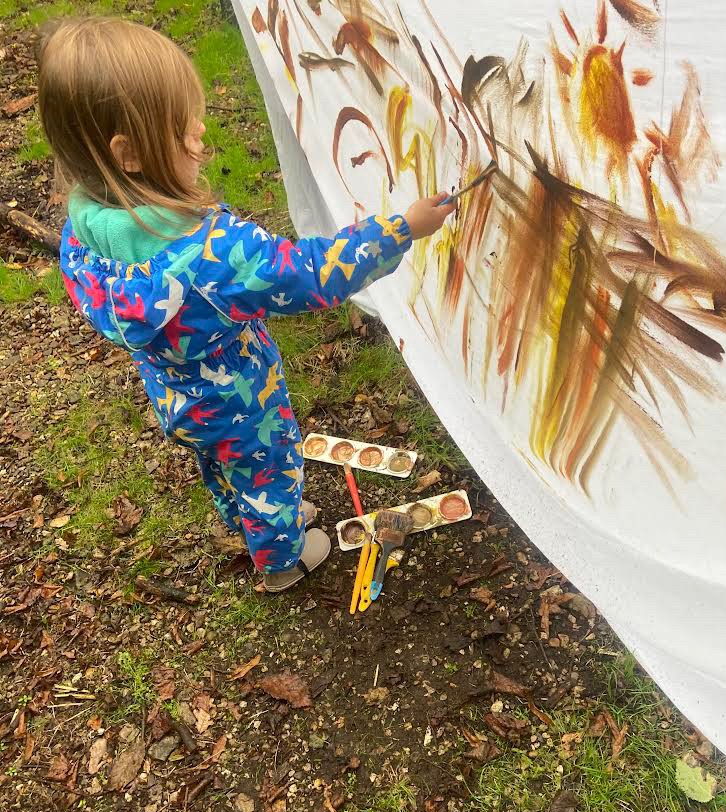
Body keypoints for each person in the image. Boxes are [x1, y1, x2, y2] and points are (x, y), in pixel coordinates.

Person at [38, 17, 453, 591]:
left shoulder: (82, 236)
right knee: (271, 473)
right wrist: (401, 229)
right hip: (243, 401)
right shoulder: (216, 255)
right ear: (130, 155)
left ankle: (247, 518)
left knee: (223, 467)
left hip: (179, 397)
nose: (202, 131)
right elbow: (312, 273)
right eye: (184, 131)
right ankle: (281, 560)